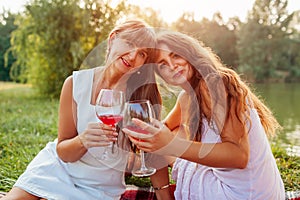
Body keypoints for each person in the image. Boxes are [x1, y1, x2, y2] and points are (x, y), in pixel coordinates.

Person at [2, 19, 172, 200]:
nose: (132, 56)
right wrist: (83, 140)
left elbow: (153, 152)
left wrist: (164, 196)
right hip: (56, 170)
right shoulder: (75, 84)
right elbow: (63, 152)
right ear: (112, 39)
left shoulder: (140, 97)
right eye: (129, 44)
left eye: (142, 54)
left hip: (100, 187)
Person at [123, 30, 285, 199]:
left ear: (190, 53)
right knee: (157, 136)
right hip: (249, 189)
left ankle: (164, 197)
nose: (172, 66)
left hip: (242, 194)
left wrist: (170, 144)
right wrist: (141, 148)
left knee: (160, 140)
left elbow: (239, 157)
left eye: (176, 56)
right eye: (163, 64)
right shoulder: (187, 98)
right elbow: (163, 129)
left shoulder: (215, 83)